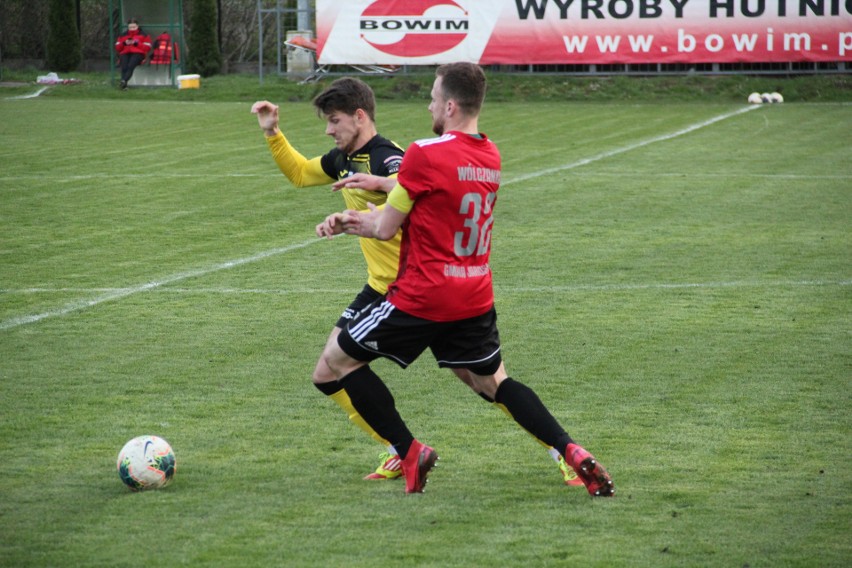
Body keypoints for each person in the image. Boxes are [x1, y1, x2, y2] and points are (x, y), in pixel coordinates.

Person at [253, 78, 582, 487]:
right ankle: (399, 450)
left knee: (482, 382)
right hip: (386, 286)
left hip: (412, 287)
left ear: (359, 116)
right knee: (328, 373)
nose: (329, 130)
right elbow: (302, 174)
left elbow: (407, 197)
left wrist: (366, 205)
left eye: (334, 121)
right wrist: (272, 132)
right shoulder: (343, 158)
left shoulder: (389, 158)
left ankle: (556, 452)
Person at [115, 18, 152, 90]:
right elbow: (117, 48)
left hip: (138, 54)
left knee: (130, 66)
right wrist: (124, 43)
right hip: (125, 53)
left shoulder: (144, 35)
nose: (132, 29)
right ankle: (124, 85)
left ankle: (124, 81)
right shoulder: (123, 35)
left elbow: (147, 48)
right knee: (124, 66)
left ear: (137, 26)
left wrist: (136, 43)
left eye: (134, 27)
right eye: (130, 27)